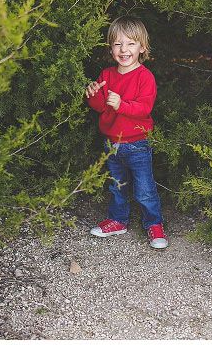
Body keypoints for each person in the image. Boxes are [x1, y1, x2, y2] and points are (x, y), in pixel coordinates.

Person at [85, 16, 167, 250]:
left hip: (137, 144)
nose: (124, 49)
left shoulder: (144, 77)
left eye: (131, 44)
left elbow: (144, 109)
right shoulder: (107, 75)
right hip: (111, 143)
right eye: (118, 44)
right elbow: (100, 107)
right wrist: (93, 93)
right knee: (117, 186)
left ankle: (154, 224)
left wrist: (121, 104)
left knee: (144, 188)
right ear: (111, 48)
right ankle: (117, 220)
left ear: (142, 48)